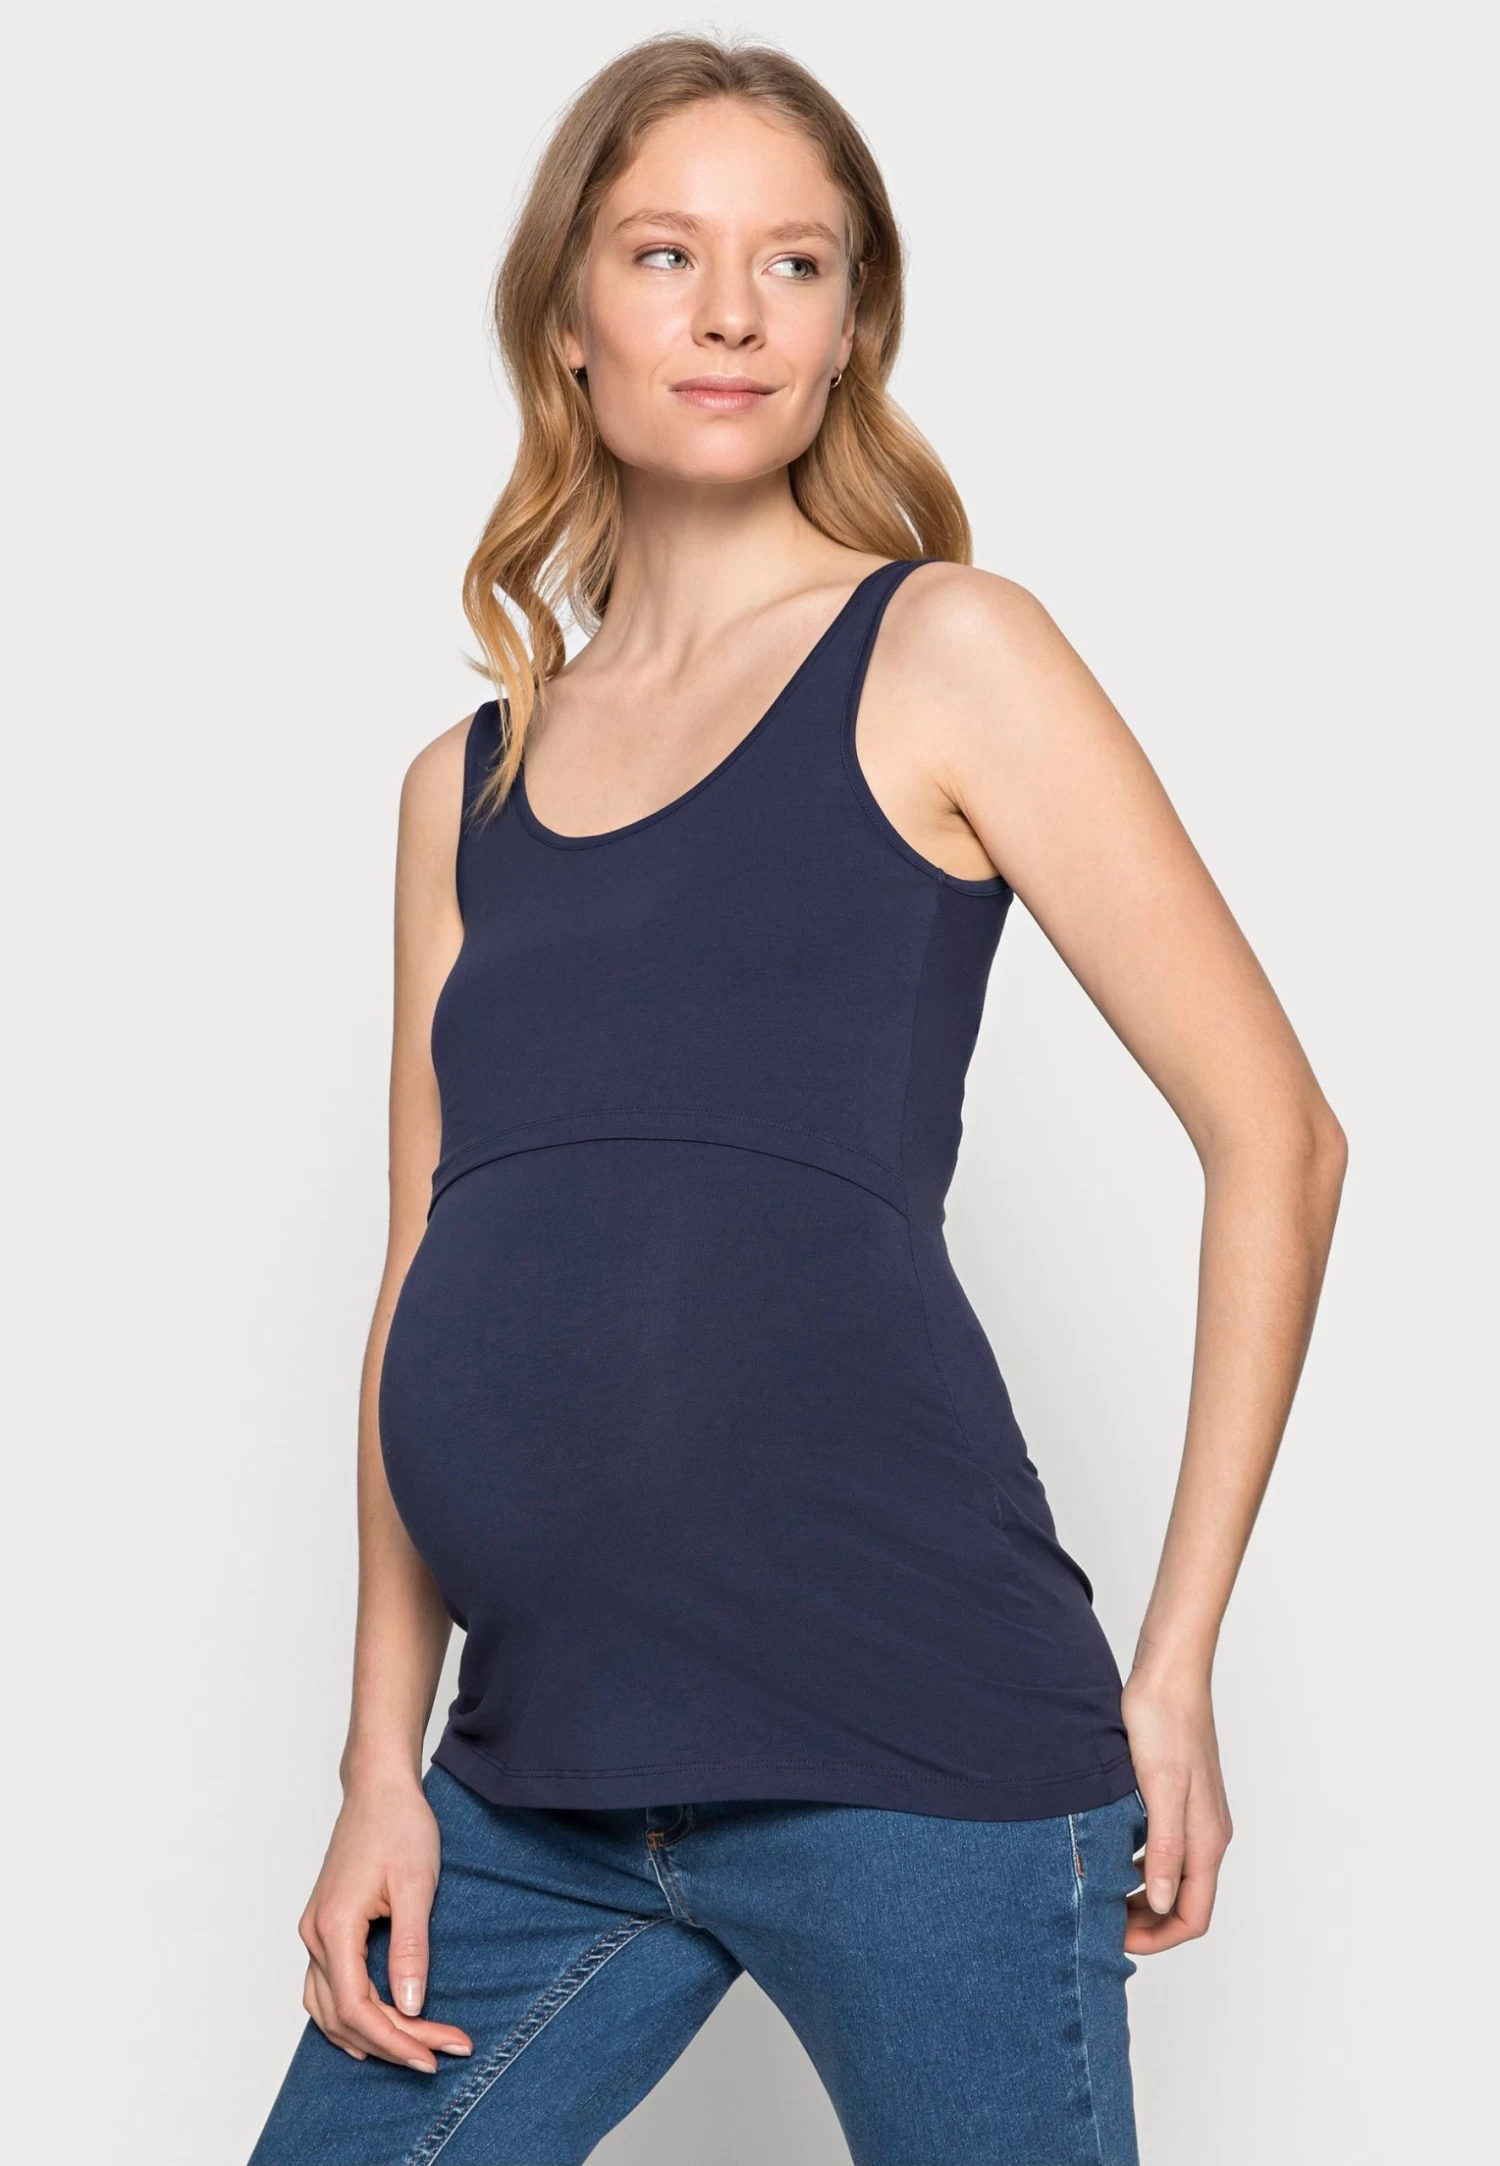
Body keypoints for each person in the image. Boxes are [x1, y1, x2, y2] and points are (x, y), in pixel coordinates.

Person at [248, 31, 1346, 2166]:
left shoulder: (947, 654)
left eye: (798, 262)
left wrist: (1179, 1660)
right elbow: (422, 1269)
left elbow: (1278, 1139)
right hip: (534, 1771)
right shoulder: (460, 788)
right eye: (668, 253)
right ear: (569, 319)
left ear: (852, 329)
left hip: (911, 1749)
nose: (735, 312)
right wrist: (381, 1758)